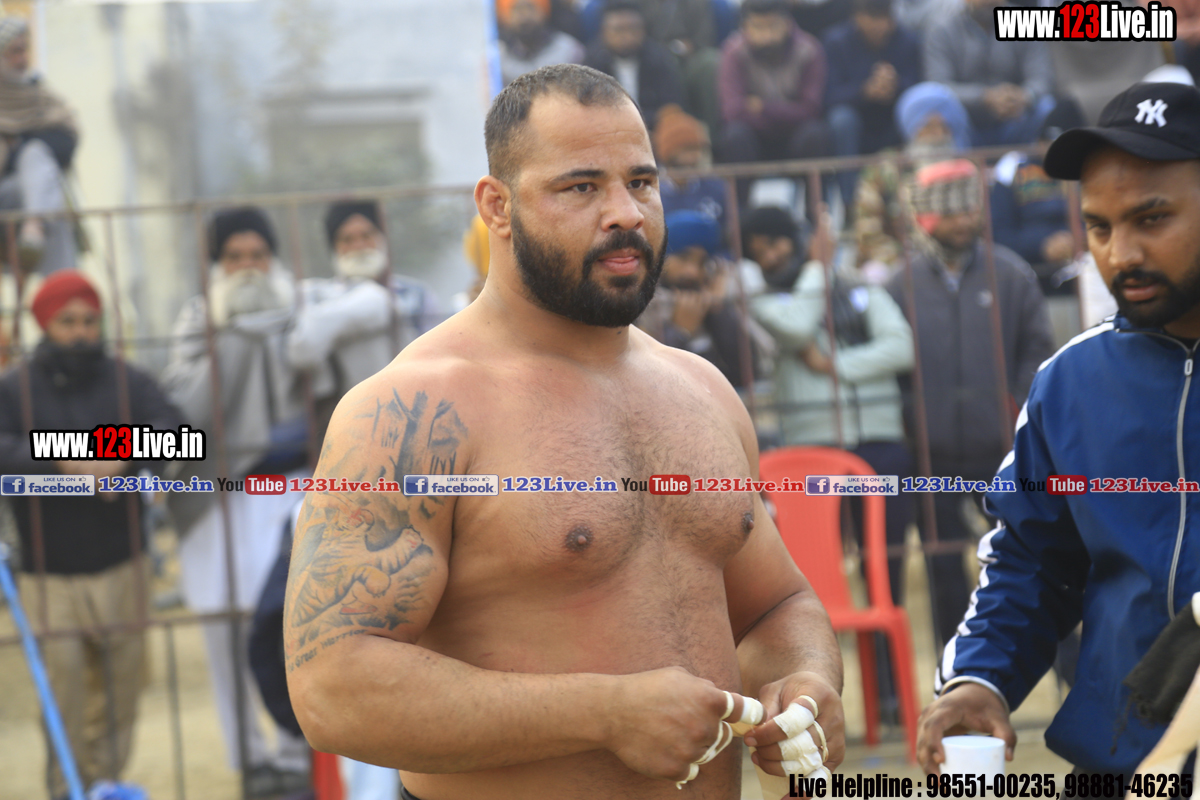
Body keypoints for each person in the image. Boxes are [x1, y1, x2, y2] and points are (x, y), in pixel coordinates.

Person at [284, 63, 845, 800]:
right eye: (581, 187)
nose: (625, 213)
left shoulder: (703, 389)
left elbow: (776, 605)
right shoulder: (410, 410)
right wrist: (603, 714)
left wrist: (804, 677)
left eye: (640, 182)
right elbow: (333, 687)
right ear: (497, 206)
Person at [916, 80, 1200, 777]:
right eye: (1099, 227)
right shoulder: (1072, 382)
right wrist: (981, 677)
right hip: (1119, 767)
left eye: (1152, 218)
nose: (1120, 254)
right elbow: (1032, 561)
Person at [0, 270, 182, 800]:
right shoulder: (14, 388)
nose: (80, 332)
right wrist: (65, 459)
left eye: (89, 320)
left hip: (123, 561)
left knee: (123, 686)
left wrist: (120, 455)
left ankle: (103, 785)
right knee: (65, 691)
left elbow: (177, 432)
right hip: (48, 571)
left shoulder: (128, 379)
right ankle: (67, 788)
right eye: (67, 321)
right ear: (43, 325)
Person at [161, 207, 311, 797]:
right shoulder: (197, 322)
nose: (247, 268)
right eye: (234, 258)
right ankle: (249, 758)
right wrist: (231, 341)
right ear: (216, 266)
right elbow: (183, 409)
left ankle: (298, 753)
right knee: (225, 627)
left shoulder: (302, 313)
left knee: (293, 620)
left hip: (292, 488)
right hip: (219, 496)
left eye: (257, 256)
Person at [886, 159, 1055, 654]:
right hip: (930, 453)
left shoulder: (1012, 274)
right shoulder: (898, 285)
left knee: (1024, 558)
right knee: (942, 568)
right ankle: (959, 667)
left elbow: (1038, 349)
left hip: (1003, 448)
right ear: (927, 218)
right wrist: (911, 420)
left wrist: (1016, 409)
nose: (965, 221)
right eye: (952, 212)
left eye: (969, 209)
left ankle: (1044, 662)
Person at [717, 0, 831, 207]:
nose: (766, 36)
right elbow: (732, 111)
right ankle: (740, 217)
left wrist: (763, 108)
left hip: (795, 139)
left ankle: (816, 216)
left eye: (772, 26)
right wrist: (787, 111)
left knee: (815, 134)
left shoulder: (809, 49)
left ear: (787, 23)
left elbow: (811, 110)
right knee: (734, 136)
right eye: (758, 27)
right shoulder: (733, 51)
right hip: (754, 140)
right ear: (745, 26)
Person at [853, 81, 969, 284]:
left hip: (951, 263)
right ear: (913, 129)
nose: (937, 135)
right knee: (875, 274)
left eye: (944, 127)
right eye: (928, 127)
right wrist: (907, 265)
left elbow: (975, 228)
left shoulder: (965, 170)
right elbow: (868, 231)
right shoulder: (884, 168)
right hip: (896, 263)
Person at [636, 209, 756, 388]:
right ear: (660, 257)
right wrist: (680, 332)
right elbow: (646, 377)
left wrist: (718, 309)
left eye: (701, 263)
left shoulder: (719, 295)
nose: (692, 272)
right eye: (683, 258)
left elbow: (747, 372)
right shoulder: (636, 302)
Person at [822, 0, 922, 214]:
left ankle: (910, 206)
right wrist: (865, 91)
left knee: (917, 113)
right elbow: (828, 96)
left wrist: (895, 85)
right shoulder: (836, 41)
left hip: (893, 120)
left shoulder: (908, 40)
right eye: (872, 18)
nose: (879, 26)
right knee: (842, 120)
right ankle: (851, 205)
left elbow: (919, 88)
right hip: (855, 123)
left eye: (884, 17)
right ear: (857, 17)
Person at [0, 17, 79, 275]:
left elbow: (66, 142)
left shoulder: (39, 94)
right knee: (38, 166)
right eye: (15, 51)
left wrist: (18, 142)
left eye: (25, 50)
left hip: (30, 197)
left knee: (37, 159)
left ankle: (63, 291)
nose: (22, 59)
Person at [923, 0, 1057, 146]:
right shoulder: (942, 26)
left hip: (1016, 118)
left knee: (1045, 105)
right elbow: (939, 86)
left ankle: (1031, 159)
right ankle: (956, 160)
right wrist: (984, 97)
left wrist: (1023, 96)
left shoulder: (1024, 21)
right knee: (931, 102)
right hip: (966, 122)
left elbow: (1041, 78)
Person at [583, 0, 685, 127]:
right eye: (619, 30)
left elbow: (672, 106)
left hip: (653, 129)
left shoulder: (660, 58)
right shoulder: (591, 63)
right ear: (604, 31)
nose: (627, 36)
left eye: (634, 28)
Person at [653, 106, 728, 245]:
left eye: (698, 149)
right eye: (687, 149)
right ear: (668, 152)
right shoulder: (649, 190)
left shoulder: (716, 188)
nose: (695, 156)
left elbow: (728, 237)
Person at [497, 0, 585, 87]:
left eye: (530, 8)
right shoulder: (497, 56)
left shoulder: (569, 50)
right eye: (517, 9)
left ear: (544, 11)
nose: (524, 15)